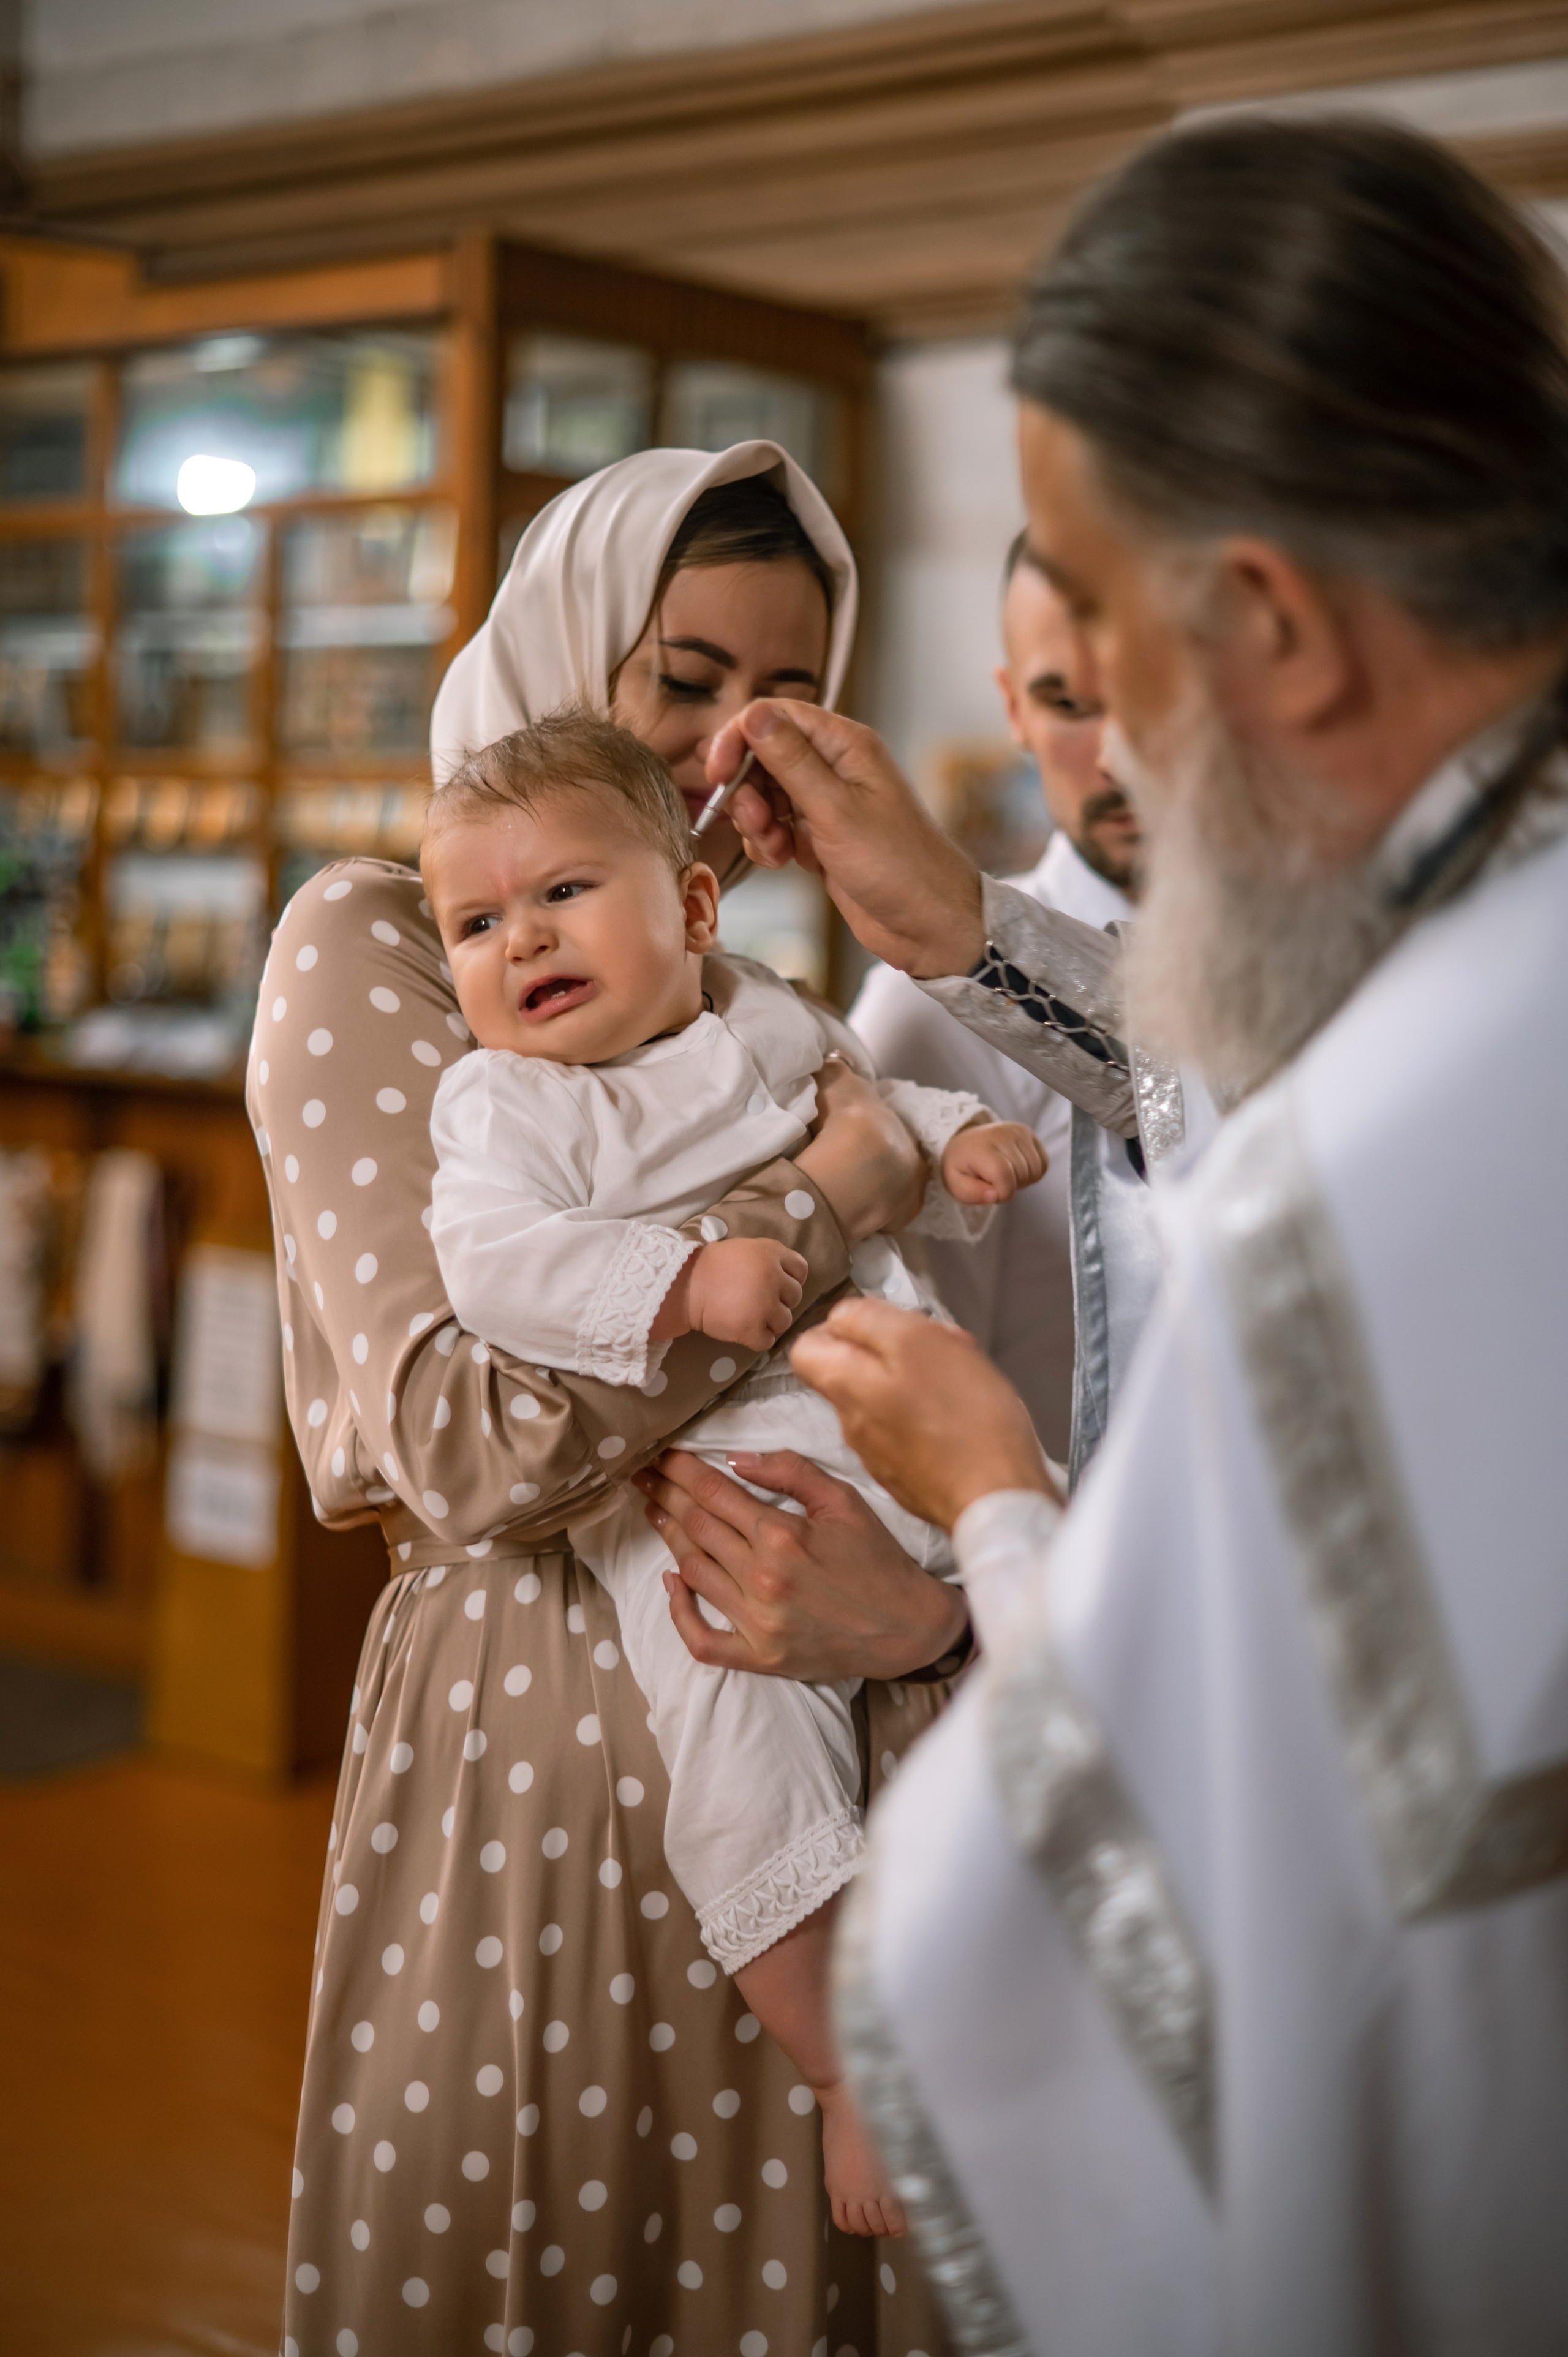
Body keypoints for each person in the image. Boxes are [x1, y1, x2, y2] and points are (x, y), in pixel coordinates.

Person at [677, 119, 1568, 2353]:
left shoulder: (1362, 1198)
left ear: (1262, 620)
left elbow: (1128, 1933)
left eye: (1093, 608)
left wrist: (989, 1508)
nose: (1084, 718)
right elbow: (1248, 1075)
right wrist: (967, 933)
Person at [257, 442, 967, 2356]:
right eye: (680, 679)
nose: (736, 743)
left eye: (789, 695)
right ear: (569, 652)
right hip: (536, 1761)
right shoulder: (388, 945)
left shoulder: (717, 973)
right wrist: (823, 1198)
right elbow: (477, 1444)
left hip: (825, 1710)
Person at [420, 708, 1043, 2236]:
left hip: (890, 1395)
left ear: (692, 910)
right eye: (477, 923)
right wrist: (679, 1288)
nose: (523, 942)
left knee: (1054, 1566)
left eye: (564, 892)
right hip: (709, 1481)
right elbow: (493, 1266)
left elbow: (860, 1107)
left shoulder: (758, 1013)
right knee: (743, 1765)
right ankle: (842, 2069)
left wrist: (952, 1139)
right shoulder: (504, 1103)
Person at [851, 535, 1139, 1458]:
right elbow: (915, 1412)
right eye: (1070, 705)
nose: (1119, 759)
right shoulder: (928, 1009)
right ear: (1013, 706)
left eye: (1157, 694)